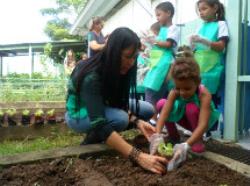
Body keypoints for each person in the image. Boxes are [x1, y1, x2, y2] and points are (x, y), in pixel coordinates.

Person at [65, 27, 167, 174]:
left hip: (102, 105)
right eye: (127, 56)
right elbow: (99, 122)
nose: (131, 62)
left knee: (147, 109)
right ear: (113, 52)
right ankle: (92, 138)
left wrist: (138, 122)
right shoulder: (91, 75)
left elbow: (118, 101)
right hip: (79, 113)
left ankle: (109, 133)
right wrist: (138, 156)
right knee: (121, 119)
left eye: (134, 57)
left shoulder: (119, 68)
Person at [149, 47, 220, 170]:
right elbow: (164, 114)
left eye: (187, 89)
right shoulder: (176, 91)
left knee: (191, 107)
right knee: (161, 103)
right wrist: (157, 135)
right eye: (179, 88)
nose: (182, 92)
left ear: (197, 82)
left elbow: (203, 124)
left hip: (202, 123)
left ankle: (197, 140)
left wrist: (186, 145)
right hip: (185, 118)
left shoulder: (204, 94)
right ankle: (173, 136)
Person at [143, 1, 180, 124]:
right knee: (151, 92)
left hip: (164, 64)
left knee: (152, 92)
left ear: (168, 13)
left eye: (159, 15)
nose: (157, 18)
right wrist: (150, 42)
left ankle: (153, 120)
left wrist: (154, 41)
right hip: (157, 64)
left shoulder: (173, 28)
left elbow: (169, 44)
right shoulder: (162, 29)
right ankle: (153, 119)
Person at [189, 0, 229, 96]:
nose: (201, 12)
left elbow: (221, 47)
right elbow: (195, 50)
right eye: (199, 10)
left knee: (208, 99)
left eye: (204, 9)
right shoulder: (200, 27)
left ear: (215, 8)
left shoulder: (221, 24)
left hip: (212, 69)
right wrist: (192, 44)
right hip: (198, 68)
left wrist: (204, 41)